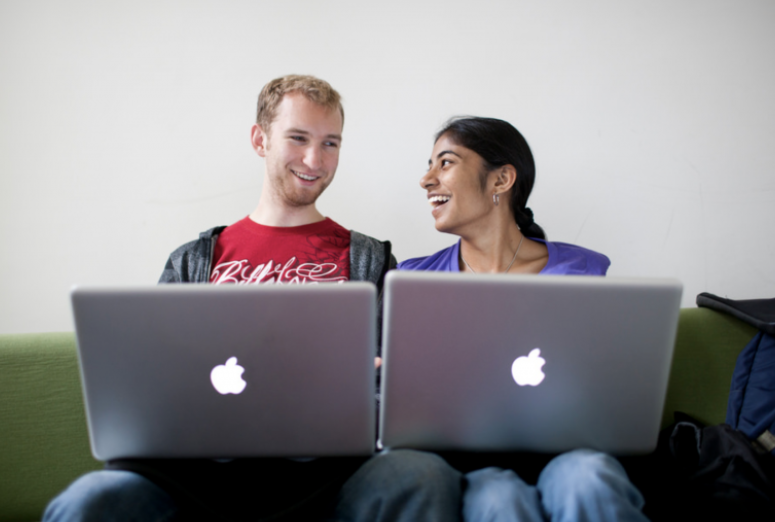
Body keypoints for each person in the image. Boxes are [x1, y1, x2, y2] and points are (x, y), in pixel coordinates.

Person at [43, 75, 462, 522]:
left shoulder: (369, 260)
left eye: (330, 143)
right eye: (298, 138)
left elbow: (395, 393)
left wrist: (373, 386)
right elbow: (154, 391)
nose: (313, 159)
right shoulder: (192, 262)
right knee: (89, 501)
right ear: (260, 140)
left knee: (422, 474)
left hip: (332, 474)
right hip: (200, 476)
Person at [398, 116, 648, 522]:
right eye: (429, 165)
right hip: (467, 461)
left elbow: (607, 384)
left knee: (588, 479)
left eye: (445, 163)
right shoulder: (412, 280)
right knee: (496, 500)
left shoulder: (583, 271)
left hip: (570, 450)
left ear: (501, 180)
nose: (426, 179)